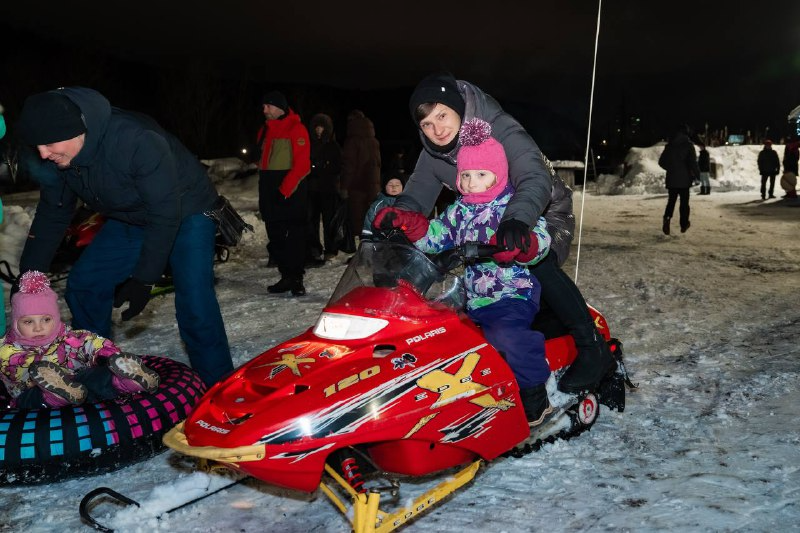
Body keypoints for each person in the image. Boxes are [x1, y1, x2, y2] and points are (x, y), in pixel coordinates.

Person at [378, 72, 614, 394]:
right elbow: (417, 194)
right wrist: (399, 217)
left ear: (457, 107)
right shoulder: (433, 151)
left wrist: (517, 221)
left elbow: (533, 176)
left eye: (442, 116)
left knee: (534, 258)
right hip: (482, 212)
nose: (437, 129)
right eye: (427, 124)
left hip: (541, 208)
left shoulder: (500, 128)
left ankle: (591, 347)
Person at [15, 87, 233, 388]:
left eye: (49, 143)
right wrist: (30, 274)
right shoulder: (59, 158)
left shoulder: (135, 140)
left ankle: (218, 389)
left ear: (78, 131)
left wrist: (144, 278)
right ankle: (98, 372)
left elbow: (165, 211)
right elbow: (54, 211)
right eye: (37, 145)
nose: (43, 153)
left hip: (186, 210)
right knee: (85, 284)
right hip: (130, 215)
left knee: (195, 302)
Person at [377, 119, 554, 425]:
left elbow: (541, 240)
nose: (471, 182)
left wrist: (523, 242)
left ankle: (534, 391)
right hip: (470, 297)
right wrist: (411, 224)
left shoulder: (510, 208)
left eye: (481, 175)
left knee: (506, 336)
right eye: (466, 175)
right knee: (436, 336)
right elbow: (435, 236)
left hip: (511, 294)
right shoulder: (460, 210)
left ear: (498, 176)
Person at [1, 271, 159, 409]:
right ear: (16, 323)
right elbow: (16, 379)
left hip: (78, 388)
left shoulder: (69, 338)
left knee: (94, 378)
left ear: (56, 319)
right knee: (31, 395)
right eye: (28, 322)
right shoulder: (6, 350)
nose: (38, 328)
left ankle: (125, 381)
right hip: (34, 398)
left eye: (46, 320)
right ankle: (54, 395)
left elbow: (91, 342)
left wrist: (106, 354)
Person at [256, 91, 311, 295]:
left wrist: (285, 190)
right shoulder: (264, 130)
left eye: (267, 106)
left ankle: (296, 279)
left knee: (293, 237)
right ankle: (285, 276)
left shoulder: (296, 129)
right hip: (269, 189)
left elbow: (303, 165)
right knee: (276, 235)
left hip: (290, 192)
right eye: (263, 106)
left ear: (279, 106)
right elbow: (262, 162)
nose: (264, 110)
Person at [306, 113, 342, 264]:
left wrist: (324, 167)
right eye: (316, 127)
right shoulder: (309, 144)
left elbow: (338, 166)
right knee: (311, 220)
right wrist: (314, 168)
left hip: (328, 189)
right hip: (312, 189)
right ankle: (314, 248)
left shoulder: (333, 145)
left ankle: (331, 249)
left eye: (321, 127)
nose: (318, 130)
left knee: (329, 221)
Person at [341, 110, 381, 243]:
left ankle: (361, 252)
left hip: (356, 186)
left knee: (357, 219)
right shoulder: (374, 140)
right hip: (372, 185)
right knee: (370, 218)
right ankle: (371, 249)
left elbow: (349, 166)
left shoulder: (352, 141)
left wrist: (344, 186)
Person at [658, 124, 699, 235]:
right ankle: (684, 224)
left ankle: (667, 218)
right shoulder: (689, 145)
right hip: (685, 180)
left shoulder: (670, 145)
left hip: (672, 179)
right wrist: (697, 175)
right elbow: (693, 163)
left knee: (671, 201)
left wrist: (671, 168)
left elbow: (661, 162)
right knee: (684, 203)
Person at [361, 171, 406, 239]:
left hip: (404, 243)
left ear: (403, 187)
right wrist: (366, 239)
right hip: (380, 243)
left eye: (397, 185)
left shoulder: (407, 204)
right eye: (390, 185)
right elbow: (368, 225)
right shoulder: (377, 205)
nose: (394, 187)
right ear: (384, 187)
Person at [781, 135, 799, 199]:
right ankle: (789, 193)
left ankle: (793, 194)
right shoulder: (790, 148)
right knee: (789, 179)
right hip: (789, 166)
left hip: (791, 167)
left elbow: (794, 159)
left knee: (791, 180)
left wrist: (786, 162)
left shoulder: (793, 150)